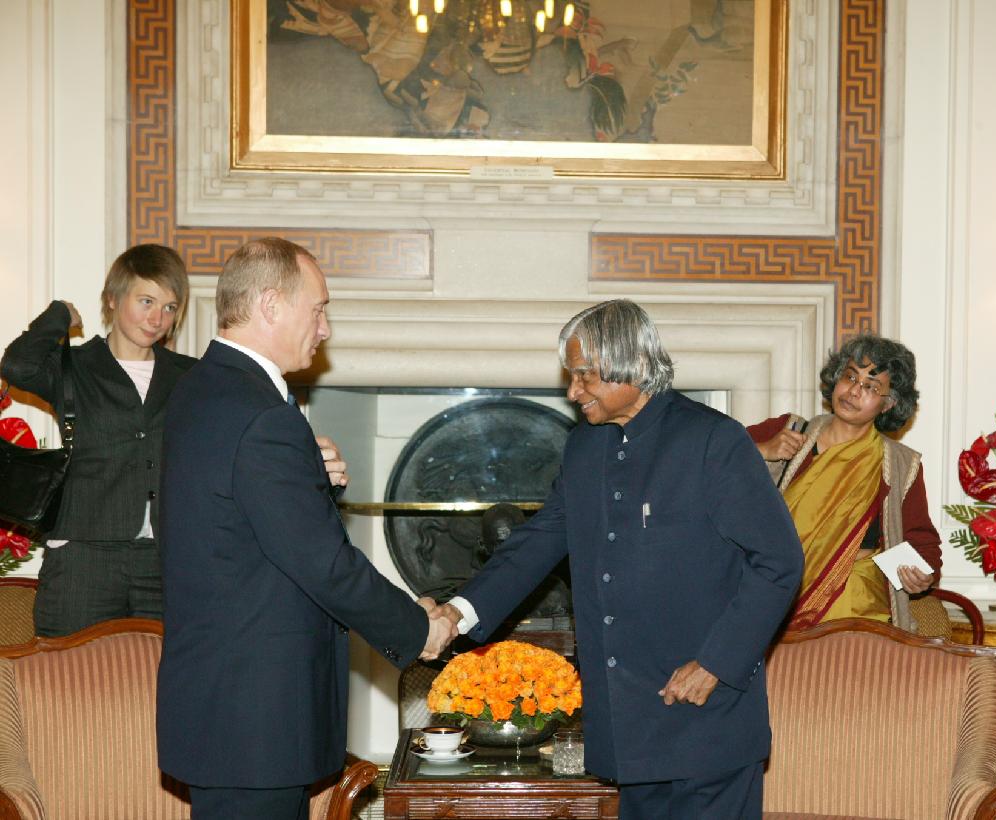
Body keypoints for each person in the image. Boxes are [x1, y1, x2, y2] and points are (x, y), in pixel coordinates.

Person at [434, 299, 803, 820]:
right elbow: (539, 540)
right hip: (629, 726)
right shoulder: (584, 447)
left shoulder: (713, 440)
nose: (572, 391)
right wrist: (459, 611)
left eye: (584, 375)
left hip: (708, 719)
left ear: (634, 363)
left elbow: (779, 561)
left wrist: (717, 664)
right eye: (571, 375)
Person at [156, 237, 455, 820]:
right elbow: (322, 563)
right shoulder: (262, 414)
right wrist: (416, 628)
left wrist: (310, 479)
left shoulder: (201, 388)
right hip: (255, 721)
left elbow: (234, 519)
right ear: (271, 305)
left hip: (223, 709)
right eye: (317, 309)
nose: (324, 329)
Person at [0, 245, 195, 636]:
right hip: (83, 557)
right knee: (69, 669)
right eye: (146, 301)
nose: (157, 318)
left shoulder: (189, 375)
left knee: (164, 671)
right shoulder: (74, 367)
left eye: (169, 307)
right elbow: (17, 365)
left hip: (162, 561)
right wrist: (59, 315)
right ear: (113, 298)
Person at [746, 334, 942, 632]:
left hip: (855, 611)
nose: (853, 390)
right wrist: (762, 450)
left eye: (871, 387)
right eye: (850, 376)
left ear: (888, 404)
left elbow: (924, 546)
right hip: (772, 598)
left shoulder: (900, 465)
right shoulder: (787, 430)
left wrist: (922, 576)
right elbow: (709, 460)